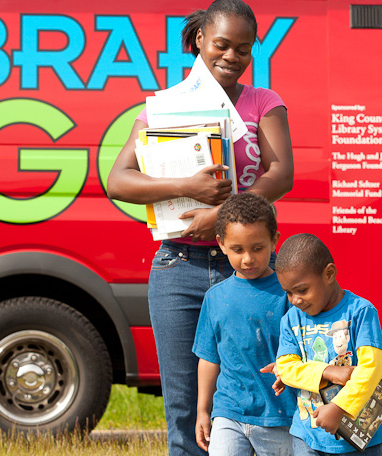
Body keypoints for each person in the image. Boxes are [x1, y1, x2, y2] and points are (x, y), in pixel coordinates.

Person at [106, 0, 294, 453]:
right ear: (198, 42)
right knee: (186, 412)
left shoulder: (262, 102)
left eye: (243, 49)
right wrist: (186, 185)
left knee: (257, 399)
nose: (231, 57)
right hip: (178, 268)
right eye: (222, 45)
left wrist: (226, 213)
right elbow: (118, 180)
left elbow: (281, 172)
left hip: (246, 270)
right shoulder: (165, 106)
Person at [192, 192, 297, 456]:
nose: (248, 259)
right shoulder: (214, 298)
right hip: (229, 412)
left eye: (257, 248)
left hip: (281, 417)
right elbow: (208, 358)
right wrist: (203, 410)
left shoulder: (289, 295)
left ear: (274, 241)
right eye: (238, 250)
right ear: (222, 244)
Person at [275, 234, 382, 455]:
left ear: (329, 274)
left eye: (302, 290)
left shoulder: (361, 312)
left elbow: (372, 369)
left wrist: (339, 408)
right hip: (307, 437)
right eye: (288, 292)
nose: (295, 300)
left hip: (360, 439)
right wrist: (327, 371)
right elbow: (286, 367)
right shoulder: (291, 319)